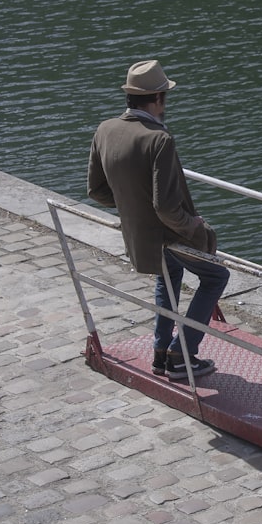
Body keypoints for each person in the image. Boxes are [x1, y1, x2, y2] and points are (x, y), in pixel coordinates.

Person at [87, 59, 229, 379]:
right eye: (165, 96)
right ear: (158, 99)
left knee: (168, 280)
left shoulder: (105, 129)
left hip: (139, 235)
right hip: (167, 235)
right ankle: (182, 353)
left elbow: (96, 191)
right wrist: (195, 226)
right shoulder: (158, 139)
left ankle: (161, 354)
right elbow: (165, 208)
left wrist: (132, 207)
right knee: (216, 277)